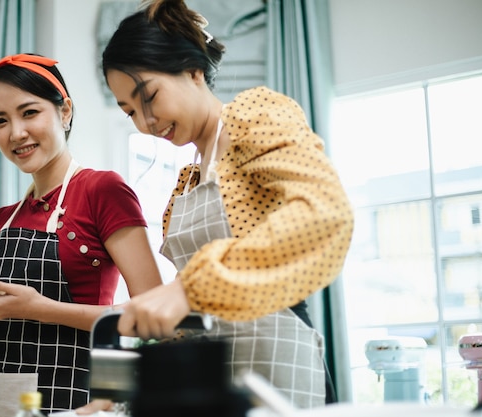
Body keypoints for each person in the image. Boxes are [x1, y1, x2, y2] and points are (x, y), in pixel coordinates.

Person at [97, 0, 354, 409]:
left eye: (148, 96)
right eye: (129, 111)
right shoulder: (186, 181)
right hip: (211, 378)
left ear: (193, 70)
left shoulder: (253, 116)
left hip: (276, 366)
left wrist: (192, 287)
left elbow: (324, 212)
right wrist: (118, 388)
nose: (145, 122)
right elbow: (188, 313)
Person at [0, 53, 163, 416]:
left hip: (76, 403)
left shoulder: (101, 190)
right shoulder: (1, 221)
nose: (16, 133)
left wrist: (42, 310)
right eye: (0, 121)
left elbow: (151, 314)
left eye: (29, 112)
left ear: (65, 112)